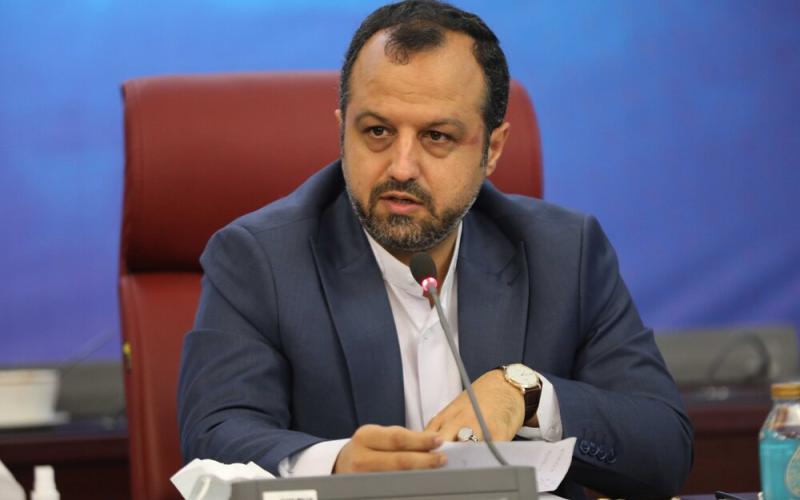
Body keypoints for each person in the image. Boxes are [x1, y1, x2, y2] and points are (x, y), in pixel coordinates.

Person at [177, 1, 693, 497]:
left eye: (437, 137)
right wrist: (336, 466)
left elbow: (664, 448)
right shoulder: (258, 259)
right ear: (342, 132)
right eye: (377, 131)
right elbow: (216, 434)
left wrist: (530, 395)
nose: (401, 166)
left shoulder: (565, 253)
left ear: (492, 149)